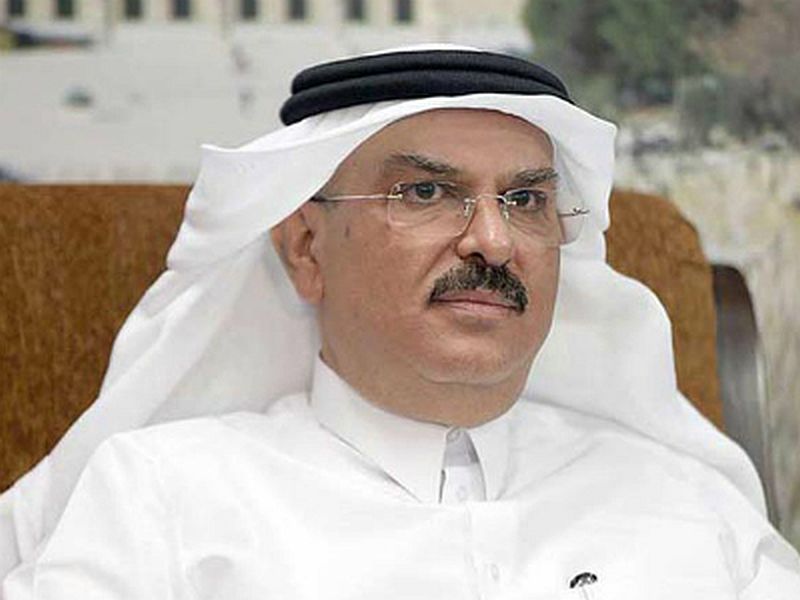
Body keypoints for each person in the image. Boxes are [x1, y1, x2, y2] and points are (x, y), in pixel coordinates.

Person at [2, 45, 800, 599]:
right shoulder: (159, 499)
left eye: (525, 200)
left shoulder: (686, 499)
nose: (493, 241)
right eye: (426, 193)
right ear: (305, 248)